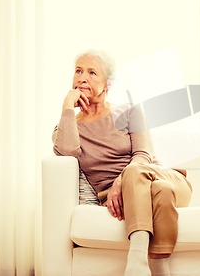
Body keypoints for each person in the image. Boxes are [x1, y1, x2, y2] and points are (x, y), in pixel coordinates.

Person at [52, 50, 192, 276]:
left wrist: (121, 180)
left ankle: (136, 261)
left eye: (91, 72)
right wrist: (67, 107)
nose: (82, 77)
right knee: (161, 191)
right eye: (78, 71)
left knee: (146, 176)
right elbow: (66, 151)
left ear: (107, 83)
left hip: (163, 177)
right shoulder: (67, 127)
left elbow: (143, 155)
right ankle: (159, 267)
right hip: (139, 196)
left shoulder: (128, 111)